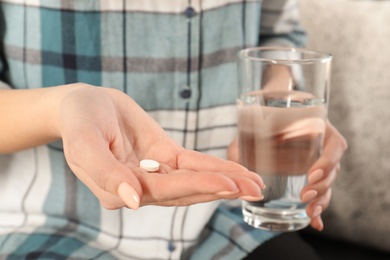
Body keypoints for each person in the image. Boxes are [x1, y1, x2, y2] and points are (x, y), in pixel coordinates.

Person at [0, 0, 347, 259]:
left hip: (227, 214)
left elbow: (275, 35)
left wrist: (281, 117)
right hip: (52, 223)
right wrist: (62, 107)